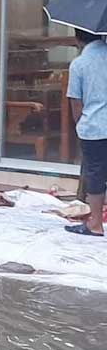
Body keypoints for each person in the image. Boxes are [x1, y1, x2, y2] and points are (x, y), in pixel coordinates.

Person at [66, 28, 107, 237]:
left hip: (94, 129)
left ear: (78, 39)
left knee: (96, 175)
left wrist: (80, 125)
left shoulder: (79, 64)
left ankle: (96, 223)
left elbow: (76, 102)